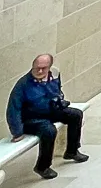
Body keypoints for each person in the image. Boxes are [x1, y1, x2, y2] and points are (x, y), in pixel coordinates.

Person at [6, 52, 86, 180]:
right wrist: (17, 131)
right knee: (48, 130)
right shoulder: (23, 85)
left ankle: (72, 151)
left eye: (44, 68)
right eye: (37, 68)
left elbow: (57, 91)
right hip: (31, 119)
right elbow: (13, 109)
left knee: (75, 115)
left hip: (51, 111)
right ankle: (43, 166)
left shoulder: (53, 75)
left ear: (49, 67)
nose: (40, 70)